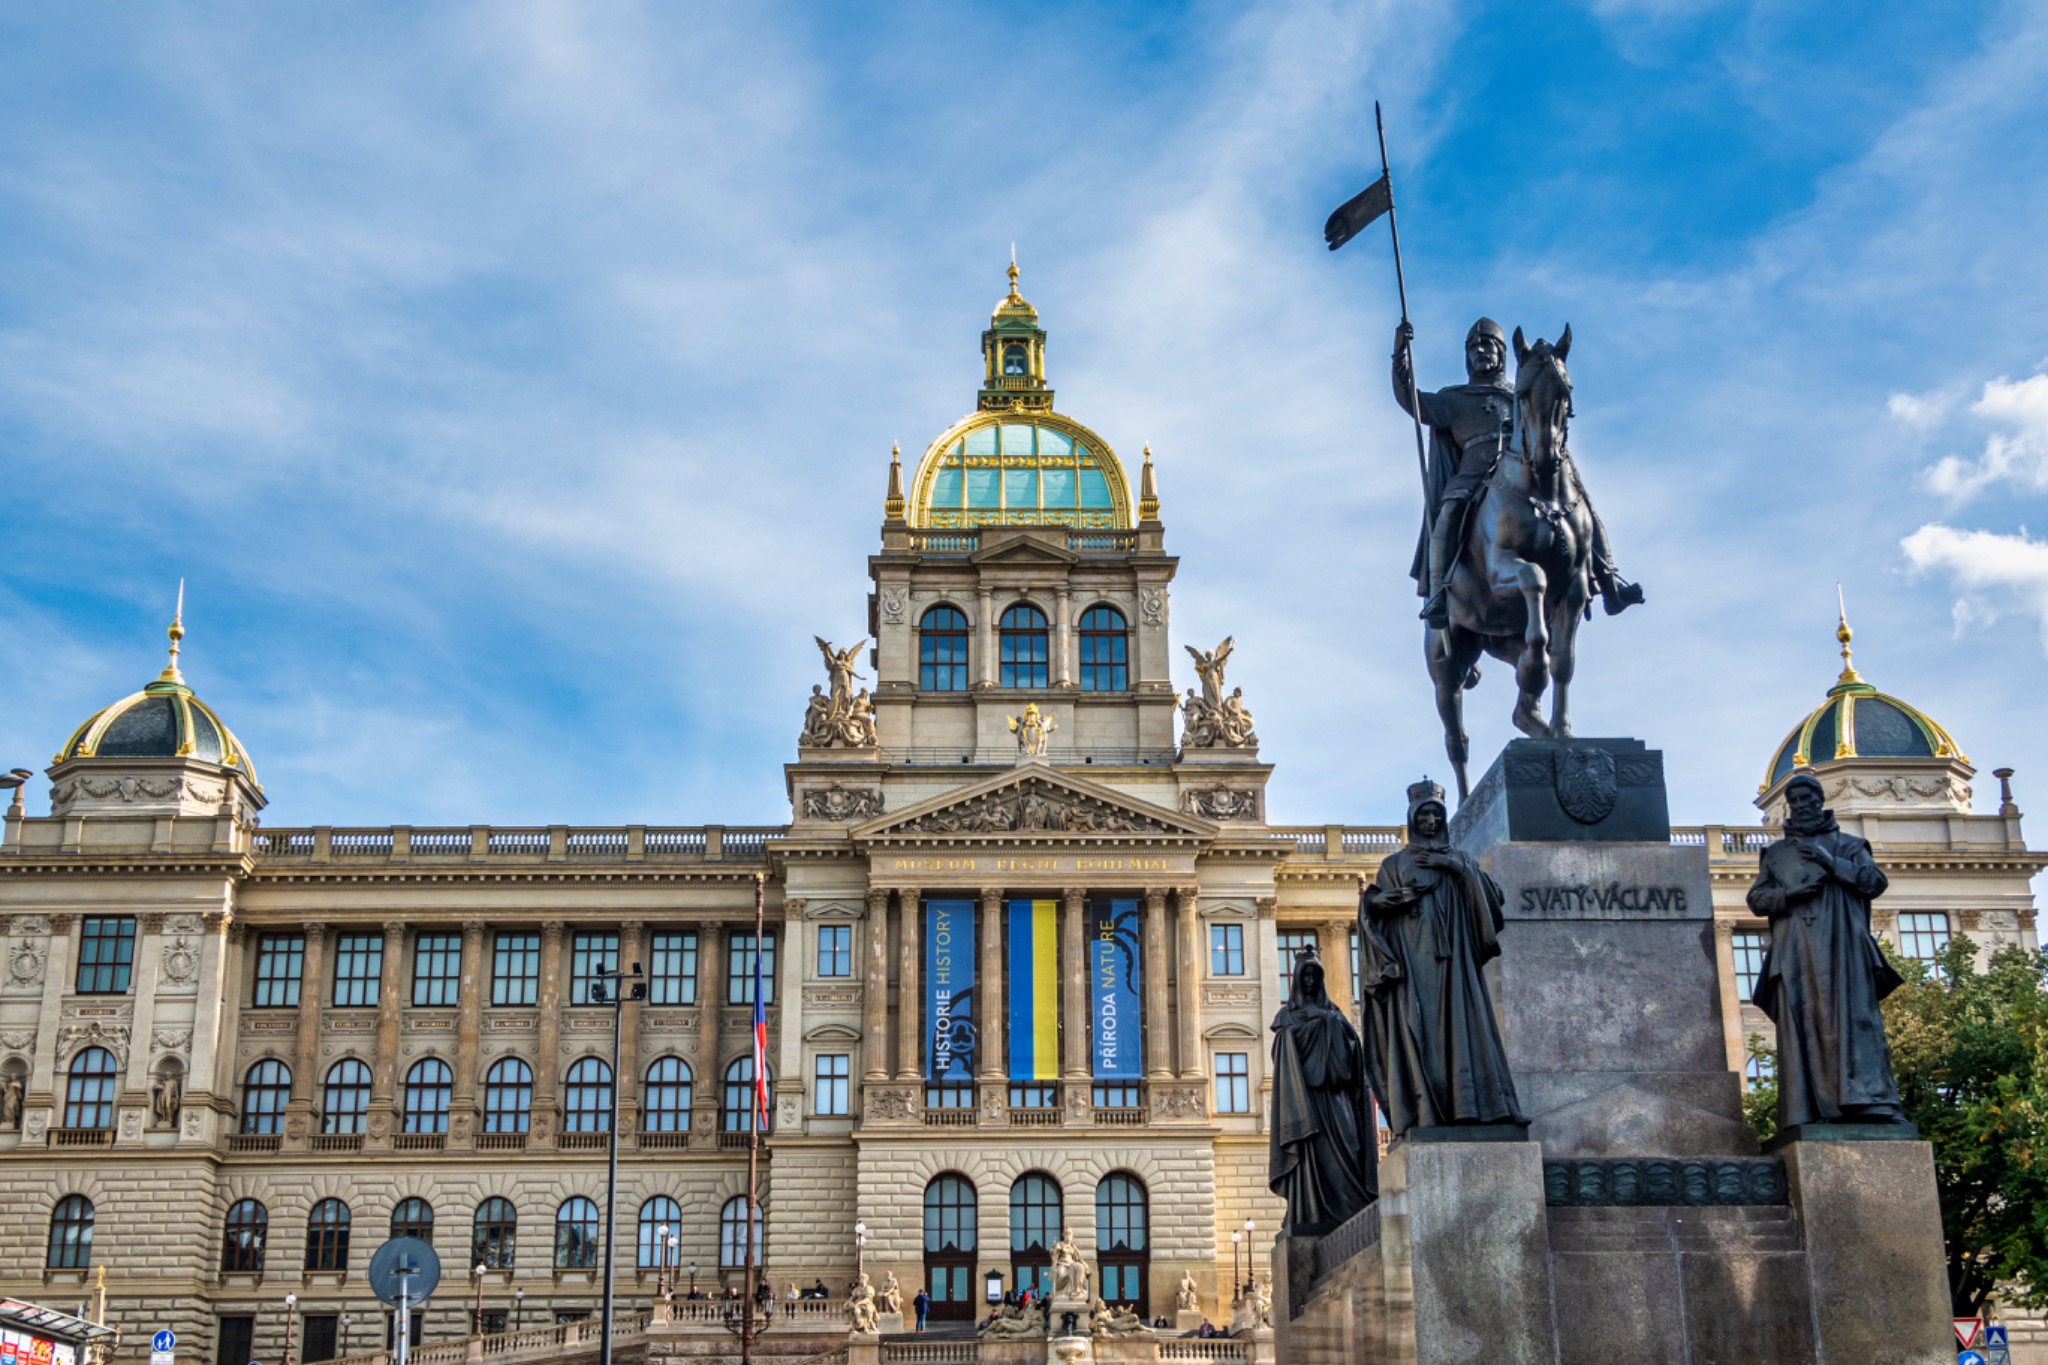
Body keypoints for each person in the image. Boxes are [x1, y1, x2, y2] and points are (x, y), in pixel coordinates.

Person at [1393, 317, 1639, 626]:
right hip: (1473, 474)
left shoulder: (1518, 394)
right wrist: (1399, 351)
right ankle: (1440, 592)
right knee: (1449, 512)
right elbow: (1409, 399)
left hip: (1525, 469)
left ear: (1501, 354)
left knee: (1581, 502)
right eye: (1474, 347)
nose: (1481, 351)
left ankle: (1609, 581)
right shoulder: (1452, 398)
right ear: (1466, 356)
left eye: (1488, 345)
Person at [1358, 780, 1525, 1135]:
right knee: (1421, 1032)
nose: (1431, 821)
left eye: (1436, 814)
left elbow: (1493, 902)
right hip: (1414, 964)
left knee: (1465, 1028)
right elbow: (1374, 910)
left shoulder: (1462, 860)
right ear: (1413, 817)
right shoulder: (1393, 865)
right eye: (1425, 814)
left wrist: (1455, 868)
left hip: (1456, 963)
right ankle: (1426, 1111)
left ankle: (1473, 1107)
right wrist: (1377, 903)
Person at [1747, 771, 1907, 1128]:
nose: (1802, 806)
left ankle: (1869, 1103)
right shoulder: (1775, 854)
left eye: (1808, 799)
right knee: (1802, 1023)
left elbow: (1874, 882)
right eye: (1796, 801)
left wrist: (1830, 863)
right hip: (1797, 953)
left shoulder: (1850, 845)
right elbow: (1756, 899)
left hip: (1843, 951)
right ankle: (1810, 1110)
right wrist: (1788, 896)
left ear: (1821, 801)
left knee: (1856, 1021)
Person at [1268, 948, 1377, 1236]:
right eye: (1305, 976)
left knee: (1350, 1147)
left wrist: (1326, 1022)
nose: (1310, 981)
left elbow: (1354, 1049)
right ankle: (1311, 1210)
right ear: (1296, 980)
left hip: (1335, 1094)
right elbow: (1282, 1054)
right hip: (1306, 1100)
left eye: (1315, 976)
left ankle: (1356, 1208)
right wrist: (1310, 1028)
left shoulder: (1334, 1013)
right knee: (1312, 1156)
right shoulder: (1287, 1017)